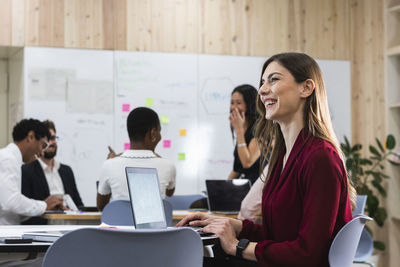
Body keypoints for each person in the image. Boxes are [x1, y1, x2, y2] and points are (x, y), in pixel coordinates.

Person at [177, 52, 356, 267]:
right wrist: (233, 226)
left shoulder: (320, 157)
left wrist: (237, 246)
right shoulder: (283, 156)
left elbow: (309, 253)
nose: (262, 90)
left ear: (306, 88)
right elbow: (279, 234)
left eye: (274, 79)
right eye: (262, 82)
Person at [97, 107, 176, 211]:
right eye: (159, 131)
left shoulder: (109, 165)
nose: (160, 136)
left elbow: (101, 207)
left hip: (121, 227)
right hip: (154, 227)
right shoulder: (168, 166)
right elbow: (170, 192)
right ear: (153, 133)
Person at [0, 119, 64, 225]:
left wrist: (44, 207)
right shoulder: (8, 159)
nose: (41, 153)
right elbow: (11, 202)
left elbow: (10, 210)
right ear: (31, 137)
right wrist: (44, 205)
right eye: (43, 146)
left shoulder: (11, 159)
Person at [21, 120, 83, 224]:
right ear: (39, 142)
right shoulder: (27, 171)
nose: (50, 143)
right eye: (47, 139)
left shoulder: (66, 171)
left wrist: (72, 211)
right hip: (41, 233)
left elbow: (79, 205)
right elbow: (23, 212)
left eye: (53, 138)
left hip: (68, 231)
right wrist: (47, 207)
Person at [228, 84, 261, 184]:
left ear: (250, 104)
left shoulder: (260, 130)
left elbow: (247, 162)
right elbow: (237, 169)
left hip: (259, 188)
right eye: (232, 103)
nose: (234, 107)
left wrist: (239, 130)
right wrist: (220, 188)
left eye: (239, 103)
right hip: (245, 187)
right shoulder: (243, 130)